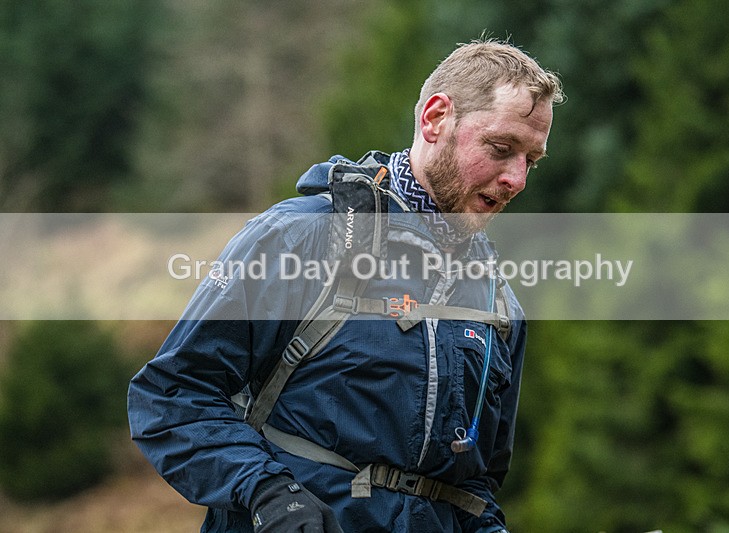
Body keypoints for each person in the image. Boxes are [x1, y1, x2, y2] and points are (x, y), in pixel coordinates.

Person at [128, 38, 563, 533]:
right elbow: (171, 396)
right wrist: (268, 492)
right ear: (435, 118)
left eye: (532, 160)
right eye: (501, 149)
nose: (516, 180)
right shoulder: (299, 237)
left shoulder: (498, 300)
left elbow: (475, 486)